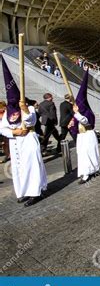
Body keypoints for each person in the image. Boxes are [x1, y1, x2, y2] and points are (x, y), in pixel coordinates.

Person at [1, 56, 48, 207]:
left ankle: (35, 192)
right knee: (19, 168)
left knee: (32, 166)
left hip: (29, 139)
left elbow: (31, 121)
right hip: (16, 143)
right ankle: (23, 191)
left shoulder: (29, 108)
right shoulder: (8, 113)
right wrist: (14, 133)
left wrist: (25, 110)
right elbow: (2, 128)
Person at [71, 70, 100, 184]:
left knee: (89, 153)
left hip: (88, 135)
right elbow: (77, 122)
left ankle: (88, 173)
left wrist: (77, 113)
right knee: (82, 154)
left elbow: (86, 121)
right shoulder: (78, 114)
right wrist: (72, 123)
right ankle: (86, 171)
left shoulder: (88, 113)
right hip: (81, 136)